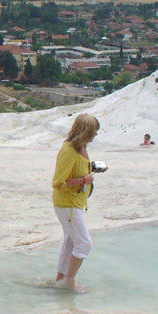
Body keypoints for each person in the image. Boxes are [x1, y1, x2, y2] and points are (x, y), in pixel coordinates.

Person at [51, 113, 101, 292]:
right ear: (85, 131)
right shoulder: (69, 151)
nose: (95, 135)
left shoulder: (81, 148)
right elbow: (58, 183)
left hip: (75, 202)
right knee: (84, 243)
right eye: (93, 132)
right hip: (67, 204)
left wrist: (92, 168)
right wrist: (84, 180)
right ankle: (70, 282)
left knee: (71, 242)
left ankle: (61, 279)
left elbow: (78, 168)